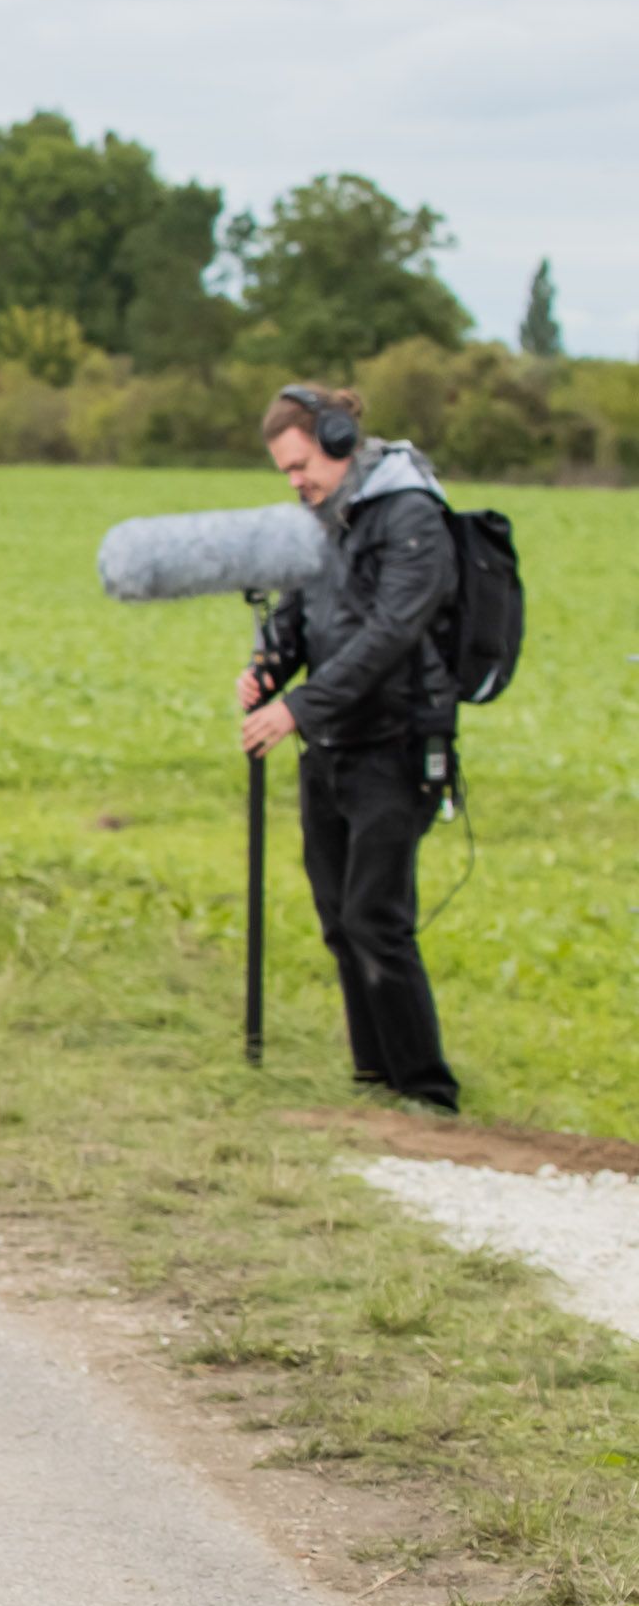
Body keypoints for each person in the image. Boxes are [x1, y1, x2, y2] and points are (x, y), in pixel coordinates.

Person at [240, 384, 461, 1113]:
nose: (296, 481)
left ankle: (426, 1089)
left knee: (376, 917)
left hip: (397, 744)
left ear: (339, 439)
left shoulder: (412, 517)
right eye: (286, 473)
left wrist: (295, 709)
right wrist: (270, 668)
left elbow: (389, 636)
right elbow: (303, 617)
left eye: (302, 464)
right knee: (339, 917)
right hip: (331, 744)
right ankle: (376, 1078)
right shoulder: (323, 520)